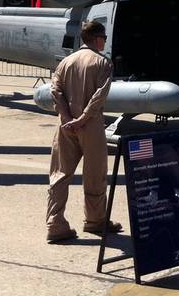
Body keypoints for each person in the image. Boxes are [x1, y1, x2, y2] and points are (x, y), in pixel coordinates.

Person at [45, 20, 119, 243]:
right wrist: (82, 119)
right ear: (97, 39)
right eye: (104, 38)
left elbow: (55, 91)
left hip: (66, 126)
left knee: (59, 174)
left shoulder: (66, 62)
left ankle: (55, 223)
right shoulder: (103, 63)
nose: (104, 41)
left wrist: (68, 118)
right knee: (95, 173)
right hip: (90, 125)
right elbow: (99, 96)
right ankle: (95, 219)